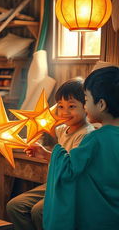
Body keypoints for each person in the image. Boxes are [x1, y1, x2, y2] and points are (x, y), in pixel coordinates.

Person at [6, 77, 95, 230]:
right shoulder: (61, 130)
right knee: (14, 206)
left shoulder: (86, 134)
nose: (65, 112)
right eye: (60, 106)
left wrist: (46, 154)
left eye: (72, 106)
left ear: (86, 107)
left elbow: (70, 167)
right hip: (55, 183)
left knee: (39, 211)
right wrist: (38, 149)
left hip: (72, 187)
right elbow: (57, 157)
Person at [44, 66, 119, 230]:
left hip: (95, 214)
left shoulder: (93, 139)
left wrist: (57, 151)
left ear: (101, 104)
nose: (84, 106)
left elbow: (69, 170)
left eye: (85, 100)